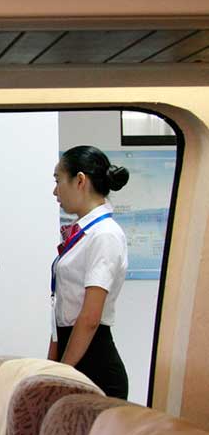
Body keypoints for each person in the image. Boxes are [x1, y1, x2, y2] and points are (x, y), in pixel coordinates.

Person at [50, 145, 130, 399]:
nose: (55, 191)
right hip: (73, 354)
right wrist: (51, 367)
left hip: (94, 365)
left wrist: (62, 372)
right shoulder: (85, 232)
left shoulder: (105, 234)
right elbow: (63, 309)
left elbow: (90, 317)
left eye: (58, 180)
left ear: (80, 181)